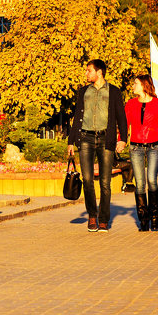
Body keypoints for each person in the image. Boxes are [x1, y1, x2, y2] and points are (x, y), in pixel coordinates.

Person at [67, 59, 129, 233]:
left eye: (89, 71)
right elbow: (76, 117)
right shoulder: (83, 92)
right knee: (87, 179)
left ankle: (104, 219)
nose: (86, 74)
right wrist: (71, 141)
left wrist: (123, 139)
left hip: (105, 139)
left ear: (99, 72)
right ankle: (92, 215)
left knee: (105, 182)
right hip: (85, 138)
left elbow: (121, 117)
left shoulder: (114, 91)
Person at [125, 74, 158, 232]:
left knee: (151, 180)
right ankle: (143, 219)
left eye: (135, 83)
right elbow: (125, 124)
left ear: (144, 86)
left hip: (154, 146)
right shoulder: (130, 104)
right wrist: (120, 141)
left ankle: (154, 217)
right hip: (136, 147)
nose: (133, 86)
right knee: (140, 184)